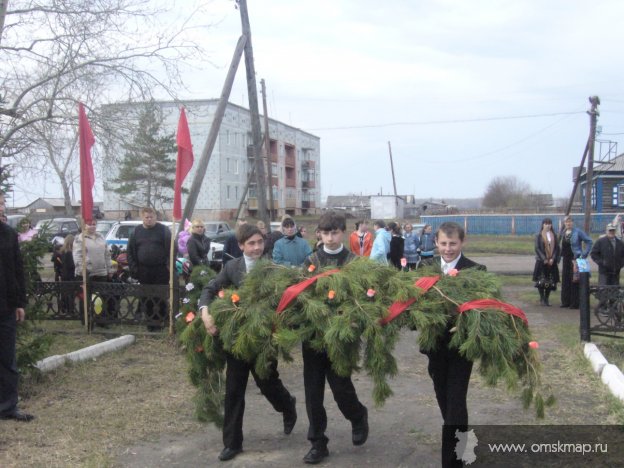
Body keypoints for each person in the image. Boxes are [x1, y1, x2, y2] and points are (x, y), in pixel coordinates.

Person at [199, 224, 297, 462]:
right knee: (234, 390)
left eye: (259, 242)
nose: (256, 247)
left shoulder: (273, 268)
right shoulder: (232, 267)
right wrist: (204, 312)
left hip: (264, 340)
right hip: (238, 340)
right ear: (241, 245)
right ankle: (232, 443)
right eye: (251, 243)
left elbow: (287, 299)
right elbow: (209, 289)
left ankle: (287, 405)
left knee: (268, 383)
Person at [301, 211, 369, 464]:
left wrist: (351, 318)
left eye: (335, 232)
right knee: (313, 392)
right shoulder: (310, 261)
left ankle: (358, 416)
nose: (330, 238)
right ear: (319, 233)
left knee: (341, 388)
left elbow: (363, 298)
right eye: (325, 233)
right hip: (313, 338)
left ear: (343, 232)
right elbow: (301, 294)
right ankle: (318, 442)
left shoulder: (352, 261)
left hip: (341, 338)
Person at [422, 222, 485, 468]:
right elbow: (415, 304)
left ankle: (453, 462)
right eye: (444, 244)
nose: (448, 249)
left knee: (456, 403)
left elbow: (484, 309)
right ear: (436, 243)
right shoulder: (424, 268)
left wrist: (467, 324)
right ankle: (461, 445)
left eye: (453, 244)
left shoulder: (476, 269)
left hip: (461, 348)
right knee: (445, 401)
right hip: (435, 348)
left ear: (462, 242)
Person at [0, 192, 34, 421]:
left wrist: (20, 303)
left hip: (5, 307)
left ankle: (8, 406)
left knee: (7, 360)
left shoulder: (8, 234)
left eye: (2, 202)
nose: (1, 206)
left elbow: (17, 271)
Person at [127, 207, 173, 331]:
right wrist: (134, 269)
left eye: (151, 217)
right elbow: (130, 252)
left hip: (161, 270)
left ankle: (161, 320)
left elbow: (172, 249)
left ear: (156, 217)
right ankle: (150, 322)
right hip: (143, 270)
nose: (149, 219)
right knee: (146, 296)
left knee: (160, 296)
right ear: (142, 217)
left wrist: (170, 266)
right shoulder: (136, 232)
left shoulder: (164, 230)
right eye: (146, 217)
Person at [74, 221, 114, 324]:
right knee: (86, 298)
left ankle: (101, 320)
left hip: (101, 273)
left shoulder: (101, 237)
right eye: (89, 224)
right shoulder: (80, 239)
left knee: (102, 298)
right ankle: (86, 320)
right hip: (86, 273)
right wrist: (84, 269)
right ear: (84, 225)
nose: (92, 226)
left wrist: (109, 269)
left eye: (94, 224)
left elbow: (107, 254)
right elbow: (78, 256)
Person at [559, 216, 592, 309]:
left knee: (574, 280)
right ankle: (566, 301)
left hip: (575, 259)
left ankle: (575, 303)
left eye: (570, 222)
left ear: (572, 223)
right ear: (564, 223)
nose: (568, 224)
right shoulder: (563, 233)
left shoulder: (578, 232)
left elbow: (589, 241)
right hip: (565, 259)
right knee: (565, 279)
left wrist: (584, 254)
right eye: (566, 222)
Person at [532, 218, 560, 306]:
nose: (548, 225)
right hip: (541, 261)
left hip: (551, 261)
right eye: (546, 224)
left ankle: (547, 298)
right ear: (543, 225)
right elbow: (537, 248)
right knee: (541, 280)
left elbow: (556, 248)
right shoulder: (538, 235)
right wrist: (544, 259)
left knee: (550, 281)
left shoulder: (554, 235)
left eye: (549, 224)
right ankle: (542, 298)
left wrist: (553, 258)